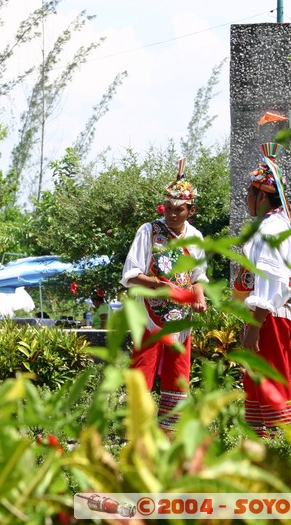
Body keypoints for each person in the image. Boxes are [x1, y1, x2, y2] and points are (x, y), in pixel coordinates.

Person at [120, 158, 207, 431]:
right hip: (150, 313)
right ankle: (137, 431)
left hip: (181, 316)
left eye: (179, 210)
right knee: (142, 369)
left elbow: (197, 277)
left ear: (191, 210)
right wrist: (160, 286)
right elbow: (131, 275)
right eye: (168, 208)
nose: (172, 214)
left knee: (178, 373)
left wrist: (200, 298)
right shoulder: (149, 232)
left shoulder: (196, 237)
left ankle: (170, 432)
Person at [234, 143, 291, 438]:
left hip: (270, 316)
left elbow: (271, 277)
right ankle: (263, 440)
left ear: (261, 196)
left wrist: (255, 324)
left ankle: (286, 443)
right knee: (258, 378)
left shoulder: (271, 230)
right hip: (270, 315)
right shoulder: (280, 225)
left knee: (271, 378)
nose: (245, 200)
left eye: (249, 194)